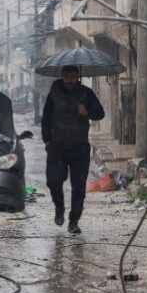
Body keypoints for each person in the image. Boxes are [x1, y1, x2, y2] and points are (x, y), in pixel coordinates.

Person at [41, 65, 105, 234]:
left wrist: (87, 111)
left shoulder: (86, 93)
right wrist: (47, 141)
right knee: (53, 181)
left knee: (79, 186)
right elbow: (46, 118)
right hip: (57, 146)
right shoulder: (54, 93)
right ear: (62, 77)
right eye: (67, 76)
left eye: (73, 76)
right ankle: (59, 208)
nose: (70, 79)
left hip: (80, 147)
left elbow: (100, 113)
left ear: (77, 77)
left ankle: (74, 221)